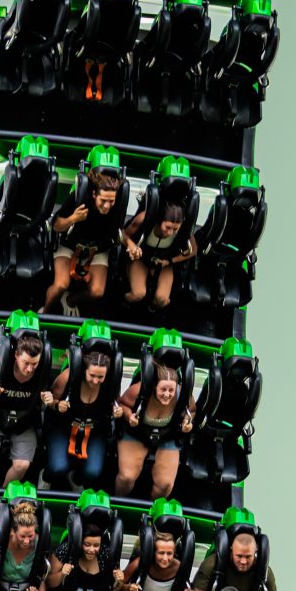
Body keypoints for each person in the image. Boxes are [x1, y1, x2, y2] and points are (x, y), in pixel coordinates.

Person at [0, 333, 54, 488]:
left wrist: (49, 399)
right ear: (16, 356)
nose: (29, 369)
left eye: (34, 364)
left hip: (23, 423)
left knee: (22, 465)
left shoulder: (42, 372)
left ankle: (4, 495)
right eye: (26, 363)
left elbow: (52, 397)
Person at [41, 167, 128, 313]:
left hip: (97, 249)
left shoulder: (117, 206)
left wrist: (131, 245)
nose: (107, 206)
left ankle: (70, 301)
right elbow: (56, 226)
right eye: (103, 200)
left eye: (111, 201)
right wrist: (72, 219)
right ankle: (45, 312)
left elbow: (119, 231)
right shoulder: (78, 198)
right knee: (61, 285)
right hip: (70, 244)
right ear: (94, 194)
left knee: (97, 291)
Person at [45, 333, 120, 492]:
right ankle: (46, 477)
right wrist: (57, 405)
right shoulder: (68, 377)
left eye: (100, 377)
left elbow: (115, 403)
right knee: (58, 467)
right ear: (84, 369)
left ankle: (75, 479)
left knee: (93, 472)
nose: (96, 381)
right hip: (63, 426)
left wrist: (117, 411)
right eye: (92, 375)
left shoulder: (109, 384)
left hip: (94, 431)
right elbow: (49, 400)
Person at [113, 357, 192, 499]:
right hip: (137, 433)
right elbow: (121, 404)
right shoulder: (138, 390)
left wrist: (187, 421)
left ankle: (153, 506)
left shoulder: (182, 394)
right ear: (155, 386)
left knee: (165, 484)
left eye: (171, 390)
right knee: (126, 477)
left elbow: (192, 411)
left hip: (166, 436)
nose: (167, 394)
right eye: (163, 389)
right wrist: (129, 416)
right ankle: (117, 502)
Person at [123, 184, 198, 312]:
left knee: (162, 300)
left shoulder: (184, 228)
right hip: (141, 258)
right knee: (138, 294)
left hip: (165, 262)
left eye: (175, 229)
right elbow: (123, 234)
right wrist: (131, 245)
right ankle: (124, 304)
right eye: (168, 227)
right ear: (159, 219)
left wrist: (170, 261)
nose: (170, 232)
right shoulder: (144, 219)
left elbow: (193, 250)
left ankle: (151, 310)